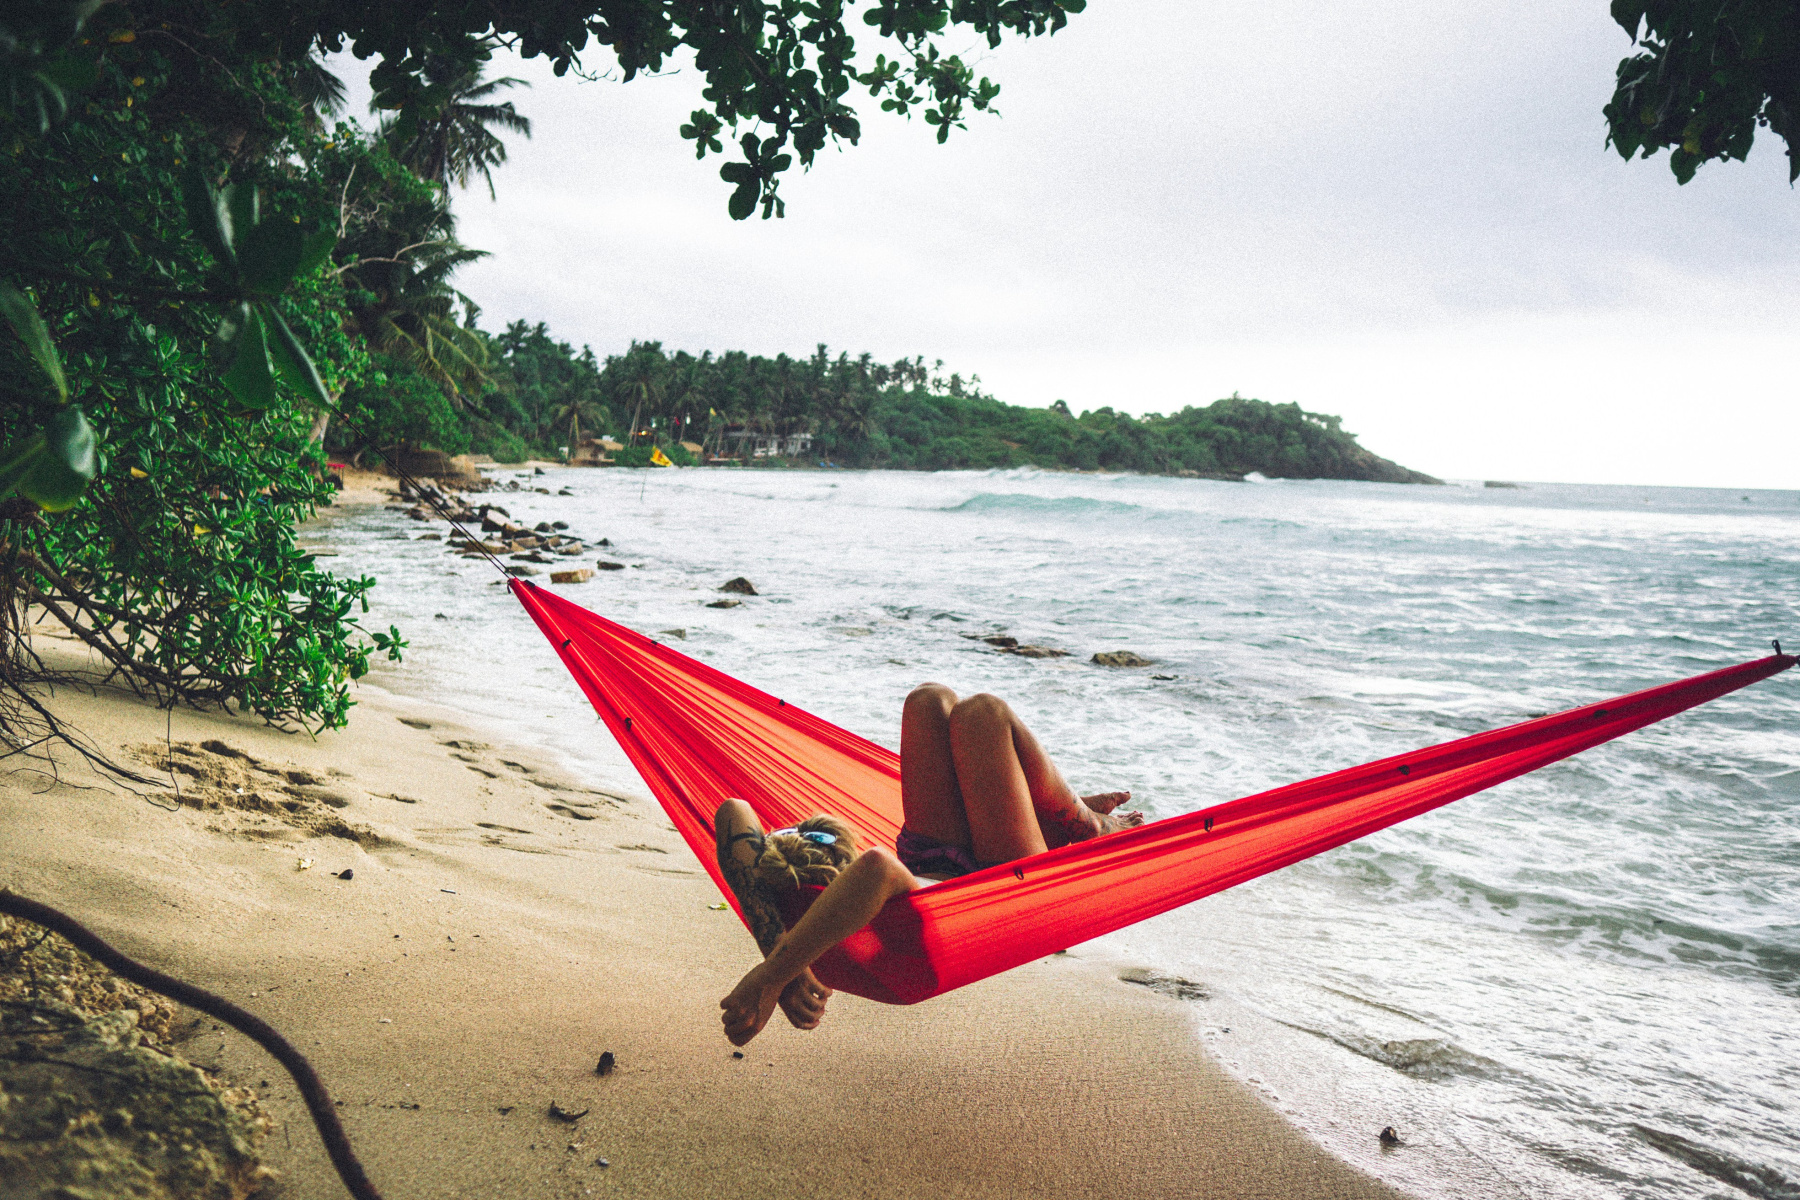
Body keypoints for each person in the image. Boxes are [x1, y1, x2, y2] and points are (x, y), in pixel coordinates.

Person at [713, 683, 1142, 1046]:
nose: (798, 829)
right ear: (831, 863)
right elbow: (877, 867)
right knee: (984, 713)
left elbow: (733, 810)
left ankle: (1041, 812)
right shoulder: (846, 900)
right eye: (813, 835)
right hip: (987, 890)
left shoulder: (775, 907)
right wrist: (770, 979)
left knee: (928, 700)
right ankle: (1088, 825)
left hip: (929, 856)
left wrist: (781, 960)